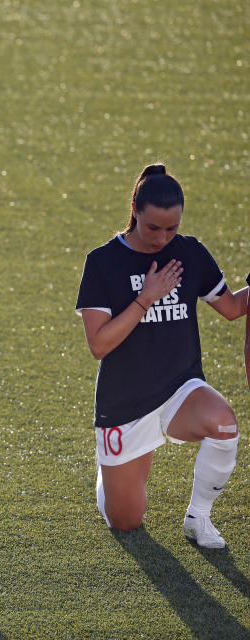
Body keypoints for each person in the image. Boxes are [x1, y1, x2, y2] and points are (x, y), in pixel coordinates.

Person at [76, 164, 248, 547]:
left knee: (224, 425)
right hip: (125, 402)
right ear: (135, 209)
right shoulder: (102, 262)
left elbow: (233, 308)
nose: (163, 238)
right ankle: (109, 473)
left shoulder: (190, 252)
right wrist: (146, 298)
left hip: (180, 389)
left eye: (172, 228)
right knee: (126, 521)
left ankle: (198, 519)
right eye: (154, 227)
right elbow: (99, 344)